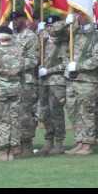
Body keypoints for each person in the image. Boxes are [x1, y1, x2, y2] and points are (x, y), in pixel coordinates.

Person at [64, 10, 98, 155]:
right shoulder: (73, 33)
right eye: (76, 15)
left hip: (87, 80)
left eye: (81, 14)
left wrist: (78, 66)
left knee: (87, 112)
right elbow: (56, 36)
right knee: (74, 112)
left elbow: (97, 58)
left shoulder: (96, 36)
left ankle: (88, 144)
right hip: (72, 79)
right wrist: (67, 24)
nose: (78, 17)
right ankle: (79, 141)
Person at [0, 26, 24, 161]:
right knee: (15, 119)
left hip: (0, 90)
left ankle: (4, 151)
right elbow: (22, 71)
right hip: (16, 88)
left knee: (1, 120)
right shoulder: (19, 51)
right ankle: (14, 148)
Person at [37, 15, 68, 155]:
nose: (50, 28)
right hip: (43, 82)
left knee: (56, 112)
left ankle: (59, 142)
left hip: (57, 81)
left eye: (52, 26)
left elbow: (66, 64)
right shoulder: (43, 41)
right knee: (43, 112)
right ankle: (48, 140)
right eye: (48, 26)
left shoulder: (63, 43)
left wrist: (49, 70)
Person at [11, 10, 39, 157]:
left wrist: (16, 65)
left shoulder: (31, 36)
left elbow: (33, 60)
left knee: (25, 114)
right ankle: (17, 144)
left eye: (17, 19)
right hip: (13, 82)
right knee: (14, 114)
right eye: (12, 20)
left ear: (23, 19)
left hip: (26, 82)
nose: (14, 22)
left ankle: (27, 145)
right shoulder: (12, 36)